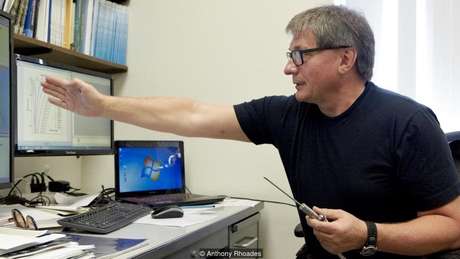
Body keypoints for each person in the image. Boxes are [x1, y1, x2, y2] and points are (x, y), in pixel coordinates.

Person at [41, 5, 460, 259]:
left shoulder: (409, 122)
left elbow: (451, 226)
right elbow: (191, 114)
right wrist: (101, 106)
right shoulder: (287, 114)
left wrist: (367, 235)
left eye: (300, 54)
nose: (288, 67)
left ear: (345, 58)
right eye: (289, 55)